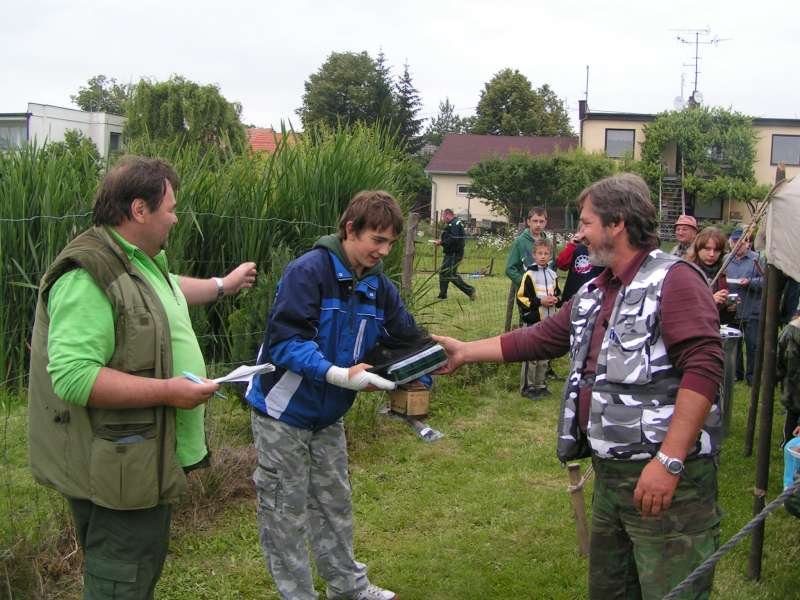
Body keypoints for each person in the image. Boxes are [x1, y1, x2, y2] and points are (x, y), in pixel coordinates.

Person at [433, 173, 723, 600]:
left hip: (666, 479)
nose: (578, 233)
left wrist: (670, 461)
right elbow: (542, 337)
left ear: (617, 223)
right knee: (610, 589)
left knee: (672, 589)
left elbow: (705, 367)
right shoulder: (595, 290)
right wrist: (464, 351)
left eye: (586, 223)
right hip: (612, 476)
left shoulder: (675, 279)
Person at [27, 156, 258, 599]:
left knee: (137, 571)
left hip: (138, 462)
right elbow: (73, 378)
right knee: (120, 581)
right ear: (139, 209)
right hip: (114, 470)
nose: (175, 218)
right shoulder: (87, 275)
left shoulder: (134, 261)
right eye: (170, 208)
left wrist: (221, 286)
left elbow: (166, 287)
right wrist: (169, 392)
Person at [246, 190, 430, 600]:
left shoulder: (379, 286)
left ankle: (348, 588)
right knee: (285, 513)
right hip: (283, 414)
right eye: (376, 240)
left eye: (389, 244)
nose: (382, 252)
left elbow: (407, 337)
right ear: (350, 229)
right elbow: (286, 342)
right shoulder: (307, 272)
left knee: (335, 505)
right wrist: (338, 375)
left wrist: (423, 372)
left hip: (329, 417)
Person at [516, 239, 561, 399]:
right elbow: (521, 298)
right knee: (532, 355)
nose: (543, 256)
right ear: (534, 255)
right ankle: (527, 387)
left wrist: (556, 299)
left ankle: (540, 385)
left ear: (550, 255)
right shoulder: (529, 275)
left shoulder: (553, 274)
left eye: (546, 253)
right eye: (539, 253)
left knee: (543, 355)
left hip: (549, 322)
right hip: (534, 321)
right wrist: (539, 302)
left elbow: (557, 293)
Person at [725, 228, 765, 385]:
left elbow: (766, 281)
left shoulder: (757, 260)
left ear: (748, 243)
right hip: (732, 309)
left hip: (752, 309)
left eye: (741, 242)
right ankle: (736, 373)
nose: (737, 245)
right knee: (734, 344)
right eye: (734, 242)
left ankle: (752, 377)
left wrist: (750, 282)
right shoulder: (726, 260)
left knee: (753, 345)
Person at [687, 227, 736, 325]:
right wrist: (710, 300)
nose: (712, 254)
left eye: (716, 250)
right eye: (707, 249)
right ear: (698, 248)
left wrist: (729, 308)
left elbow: (722, 320)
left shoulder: (721, 275)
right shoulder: (687, 272)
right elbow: (682, 310)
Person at [505, 206, 551, 289]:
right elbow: (510, 269)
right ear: (528, 222)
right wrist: (523, 282)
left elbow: (552, 264)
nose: (538, 224)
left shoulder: (548, 242)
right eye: (535, 221)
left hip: (544, 290)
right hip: (526, 293)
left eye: (541, 221)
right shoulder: (520, 242)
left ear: (545, 223)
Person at [434, 208, 475, 300]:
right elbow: (450, 237)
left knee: (450, 274)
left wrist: (441, 243)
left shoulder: (455, 224)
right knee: (443, 273)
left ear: (448, 215)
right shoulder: (452, 224)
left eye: (443, 216)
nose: (442, 219)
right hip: (450, 253)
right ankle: (442, 295)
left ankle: (470, 290)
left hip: (454, 254)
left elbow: (454, 239)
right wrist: (442, 241)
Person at [556, 231, 604, 303]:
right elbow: (561, 265)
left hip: (593, 296)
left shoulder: (601, 250)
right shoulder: (575, 247)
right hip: (573, 295)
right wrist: (571, 245)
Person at [777, 304, 800, 445]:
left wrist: (779, 374)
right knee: (792, 414)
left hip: (792, 384)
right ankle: (789, 443)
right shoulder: (790, 331)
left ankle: (788, 443)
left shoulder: (789, 330)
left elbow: (779, 357)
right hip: (793, 383)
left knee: (792, 413)